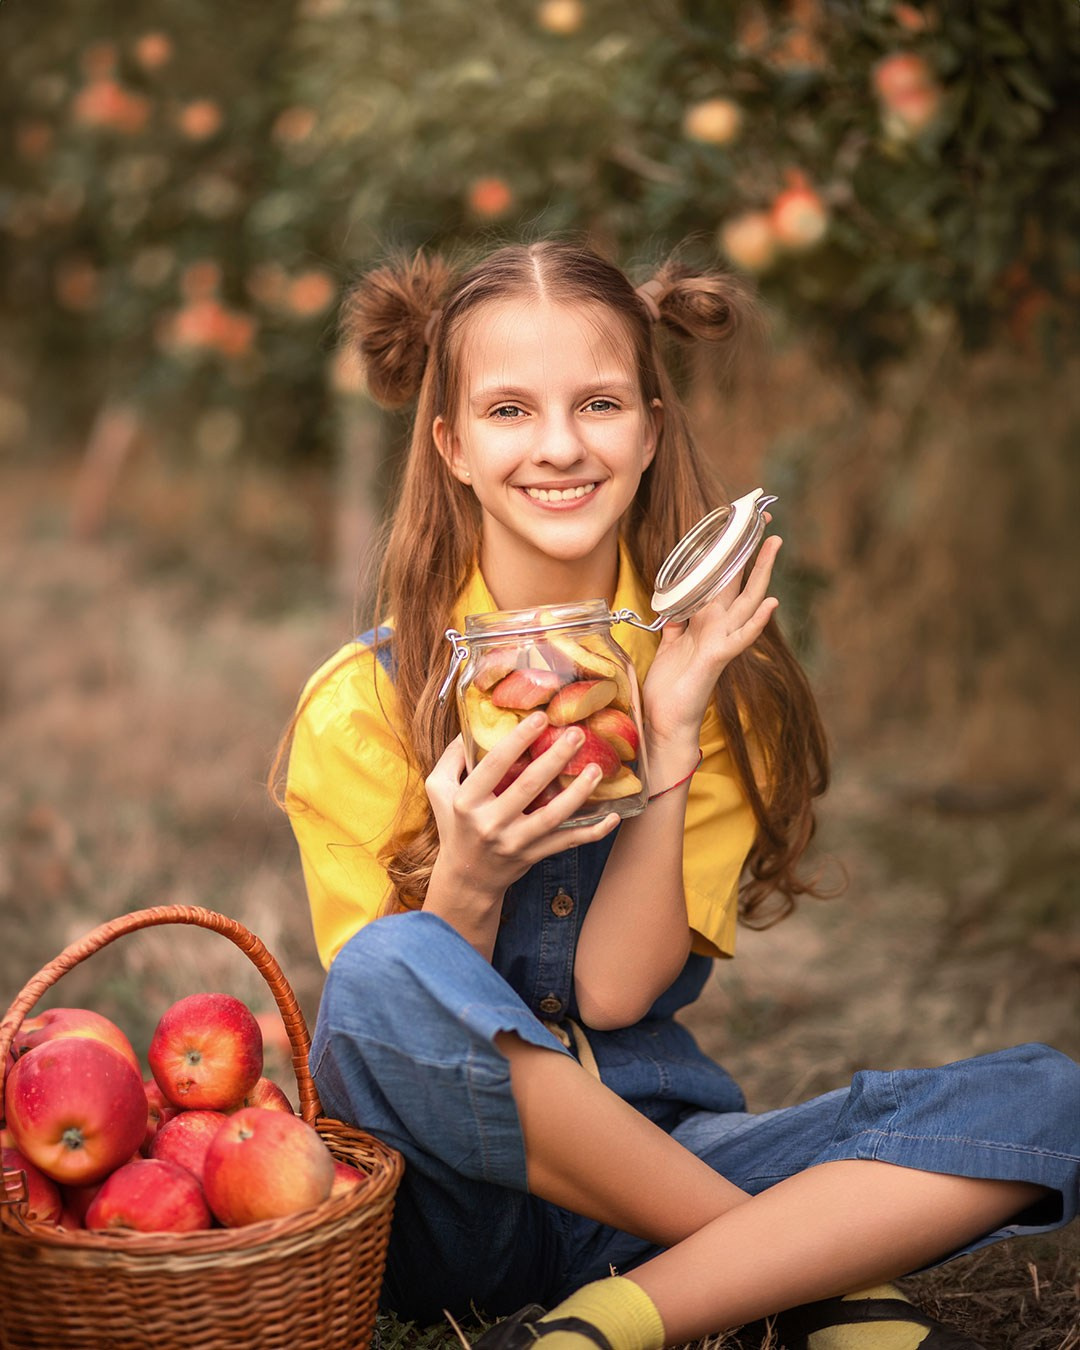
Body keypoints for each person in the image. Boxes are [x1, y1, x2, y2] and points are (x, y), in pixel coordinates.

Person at [276, 240, 1078, 1350]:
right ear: (451, 446)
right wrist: (466, 877)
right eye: (510, 412)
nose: (560, 446)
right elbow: (385, 1034)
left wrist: (667, 731)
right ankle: (801, 1271)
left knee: (1047, 1098)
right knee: (384, 965)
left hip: (652, 1172)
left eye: (598, 403)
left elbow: (611, 994)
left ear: (651, 430)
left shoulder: (708, 693)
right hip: (451, 1217)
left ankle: (614, 1321)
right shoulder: (364, 705)